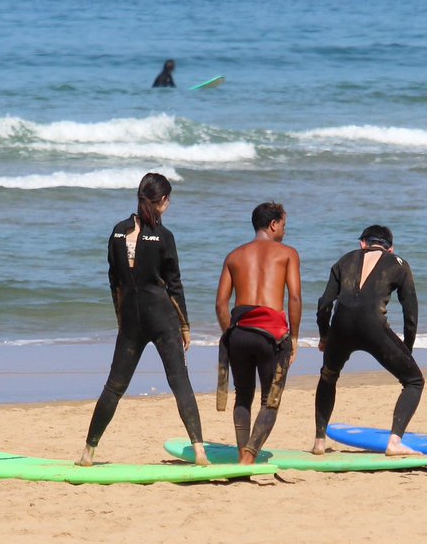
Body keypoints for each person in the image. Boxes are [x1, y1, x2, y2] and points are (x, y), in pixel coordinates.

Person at [78, 172, 207, 467]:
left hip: (131, 320)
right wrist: (185, 325)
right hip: (161, 317)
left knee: (114, 387)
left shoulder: (117, 232)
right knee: (180, 382)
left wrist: (120, 317)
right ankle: (199, 451)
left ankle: (88, 452)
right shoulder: (164, 236)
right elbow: (174, 285)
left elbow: (115, 281)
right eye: (168, 199)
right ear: (162, 201)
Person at [314, 225, 423, 456]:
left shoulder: (344, 260)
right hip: (373, 327)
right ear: (390, 248)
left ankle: (319, 441)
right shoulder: (398, 263)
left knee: (328, 376)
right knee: (414, 381)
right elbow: (411, 313)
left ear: (362, 243)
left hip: (340, 328)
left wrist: (325, 335)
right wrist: (407, 350)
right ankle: (394, 443)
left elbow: (324, 304)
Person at [215, 202, 303, 464]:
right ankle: (249, 456)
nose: (285, 232)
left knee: (243, 395)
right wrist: (295, 337)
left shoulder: (234, 256)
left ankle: (243, 452)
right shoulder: (287, 253)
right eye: (284, 226)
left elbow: (221, 304)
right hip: (271, 336)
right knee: (269, 400)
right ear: (273, 224)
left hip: (240, 332)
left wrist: (230, 334)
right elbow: (295, 298)